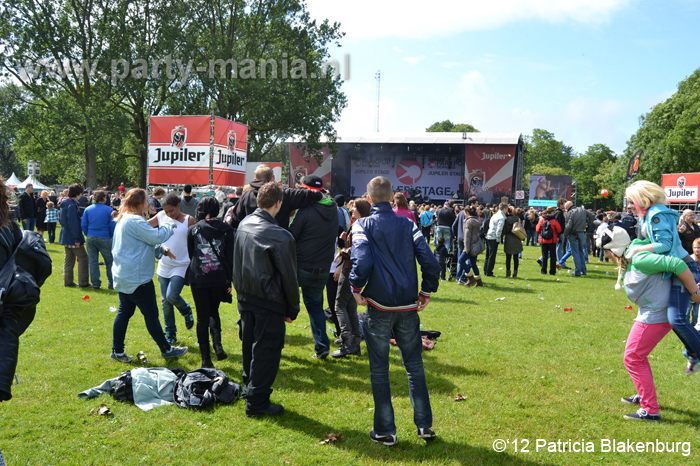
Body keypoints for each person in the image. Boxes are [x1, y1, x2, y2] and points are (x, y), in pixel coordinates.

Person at [349, 176, 440, 446]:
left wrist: (355, 288)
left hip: (379, 305)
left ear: (368, 198)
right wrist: (426, 290)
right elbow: (430, 261)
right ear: (391, 198)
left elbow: (362, 260)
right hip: (407, 305)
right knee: (415, 367)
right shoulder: (408, 222)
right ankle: (424, 426)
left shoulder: (362, 224)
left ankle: (386, 430)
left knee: (379, 370)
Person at [605, 235, 700, 421]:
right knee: (638, 357)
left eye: (607, 250)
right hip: (653, 312)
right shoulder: (636, 255)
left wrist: (694, 292)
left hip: (656, 315)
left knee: (633, 357)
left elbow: (676, 264)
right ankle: (644, 396)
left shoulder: (640, 257)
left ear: (616, 247)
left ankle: (650, 410)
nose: (606, 255)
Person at [233, 181, 300, 417]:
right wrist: (292, 308)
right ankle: (256, 402)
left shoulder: (244, 224)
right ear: (279, 204)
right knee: (265, 351)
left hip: (247, 297)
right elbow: (290, 279)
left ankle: (250, 390)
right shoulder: (281, 236)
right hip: (265, 300)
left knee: (251, 346)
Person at [625, 180, 700, 374]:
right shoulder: (653, 213)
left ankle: (695, 353)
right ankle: (692, 353)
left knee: (676, 319)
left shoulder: (655, 215)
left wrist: (639, 248)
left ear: (644, 199)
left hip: (683, 268)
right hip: (678, 268)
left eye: (631, 201)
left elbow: (665, 245)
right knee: (673, 319)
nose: (629, 206)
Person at [110, 188, 188, 363]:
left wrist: (160, 250)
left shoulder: (124, 219)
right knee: (151, 316)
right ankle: (166, 349)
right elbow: (157, 236)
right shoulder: (136, 221)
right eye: (147, 200)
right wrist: (169, 222)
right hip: (137, 280)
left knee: (124, 313)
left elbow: (137, 245)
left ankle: (117, 351)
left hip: (124, 276)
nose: (149, 203)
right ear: (139, 203)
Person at [288, 175, 338, 359]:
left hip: (302, 266)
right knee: (316, 306)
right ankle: (322, 346)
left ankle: (271, 343)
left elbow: (291, 236)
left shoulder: (306, 210)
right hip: (323, 268)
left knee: (280, 302)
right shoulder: (334, 208)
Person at [187, 197, 234, 368]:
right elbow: (230, 258)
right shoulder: (227, 230)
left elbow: (191, 253)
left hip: (198, 277)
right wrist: (230, 282)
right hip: (219, 278)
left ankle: (206, 359)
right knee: (214, 311)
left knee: (201, 318)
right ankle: (218, 346)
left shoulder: (193, 230)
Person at [149, 193, 195, 345]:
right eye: (167, 211)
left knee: (172, 296)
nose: (169, 214)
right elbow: (145, 228)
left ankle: (186, 310)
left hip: (182, 265)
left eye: (172, 211)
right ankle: (171, 334)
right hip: (164, 265)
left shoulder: (189, 220)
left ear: (178, 206)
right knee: (165, 302)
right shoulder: (161, 215)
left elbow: (194, 242)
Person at [332, 198, 371, 358]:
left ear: (361, 209)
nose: (351, 210)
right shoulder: (365, 224)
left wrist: (342, 252)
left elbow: (357, 250)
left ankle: (347, 342)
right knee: (350, 307)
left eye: (354, 208)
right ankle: (355, 343)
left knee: (339, 305)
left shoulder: (359, 226)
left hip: (350, 269)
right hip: (356, 270)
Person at [229, 164, 322, 230]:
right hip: (278, 245)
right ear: (273, 178)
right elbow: (311, 194)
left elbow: (235, 221)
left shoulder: (246, 196)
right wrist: (320, 195)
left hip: (252, 244)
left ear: (255, 179)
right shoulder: (285, 193)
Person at [80, 190, 116, 289]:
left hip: (91, 236)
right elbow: (113, 225)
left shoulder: (88, 209)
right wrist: (111, 236)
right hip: (104, 237)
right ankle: (111, 283)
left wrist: (88, 234)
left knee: (93, 261)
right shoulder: (109, 210)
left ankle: (96, 283)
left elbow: (83, 225)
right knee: (109, 261)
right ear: (104, 198)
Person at [59, 183, 89, 287]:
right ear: (78, 193)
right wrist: (77, 238)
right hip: (72, 236)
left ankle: (68, 281)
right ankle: (83, 282)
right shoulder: (71, 205)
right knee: (83, 258)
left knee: (69, 259)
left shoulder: (65, 202)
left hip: (66, 235)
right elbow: (73, 223)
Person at [564, 201, 594, 277]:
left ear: (568, 207)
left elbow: (568, 226)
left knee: (575, 253)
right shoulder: (583, 210)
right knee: (581, 252)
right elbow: (592, 215)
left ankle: (577, 272)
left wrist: (566, 234)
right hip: (582, 233)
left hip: (573, 234)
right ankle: (583, 271)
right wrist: (588, 225)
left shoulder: (571, 212)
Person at [458, 205, 483, 286]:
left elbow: (467, 236)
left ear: (467, 213)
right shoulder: (477, 220)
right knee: (473, 263)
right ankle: (479, 281)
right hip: (475, 244)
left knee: (461, 260)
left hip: (469, 245)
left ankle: (470, 277)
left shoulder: (468, 221)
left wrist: (466, 248)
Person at [536, 206, 562, 275]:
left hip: (543, 240)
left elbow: (537, 229)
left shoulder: (542, 220)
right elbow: (559, 229)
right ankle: (552, 271)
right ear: (552, 212)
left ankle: (543, 271)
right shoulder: (554, 220)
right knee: (553, 256)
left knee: (544, 256)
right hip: (552, 240)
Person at [484, 203, 508, 277]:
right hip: (494, 237)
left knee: (488, 255)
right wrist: (498, 238)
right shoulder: (501, 217)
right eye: (506, 209)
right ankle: (489, 272)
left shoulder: (495, 215)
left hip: (489, 235)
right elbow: (499, 229)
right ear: (504, 209)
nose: (507, 211)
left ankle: (486, 270)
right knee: (492, 255)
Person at [502, 206, 523, 278]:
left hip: (508, 238)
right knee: (516, 257)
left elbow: (504, 231)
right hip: (517, 238)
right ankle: (515, 273)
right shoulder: (517, 219)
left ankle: (508, 273)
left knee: (508, 258)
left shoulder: (506, 220)